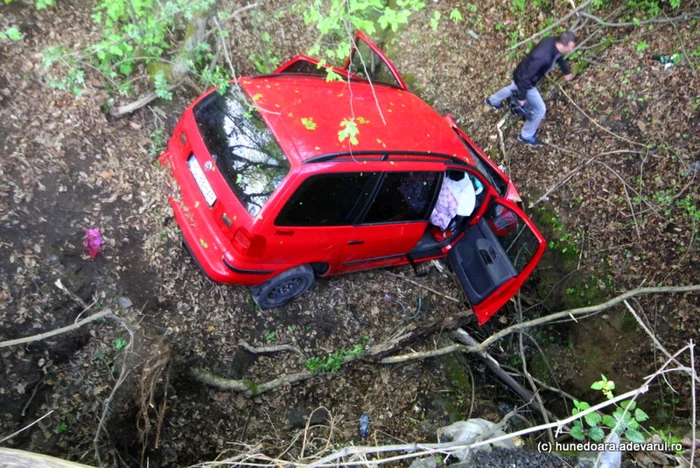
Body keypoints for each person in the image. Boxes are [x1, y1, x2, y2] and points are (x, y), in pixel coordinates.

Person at [484, 31, 576, 146]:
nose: (571, 50)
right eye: (570, 47)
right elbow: (525, 78)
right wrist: (522, 98)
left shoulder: (551, 41)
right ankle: (526, 135)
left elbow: (558, 57)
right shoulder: (542, 57)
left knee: (513, 87)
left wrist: (566, 71)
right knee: (540, 109)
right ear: (563, 44)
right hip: (526, 81)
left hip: (521, 72)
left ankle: (492, 101)